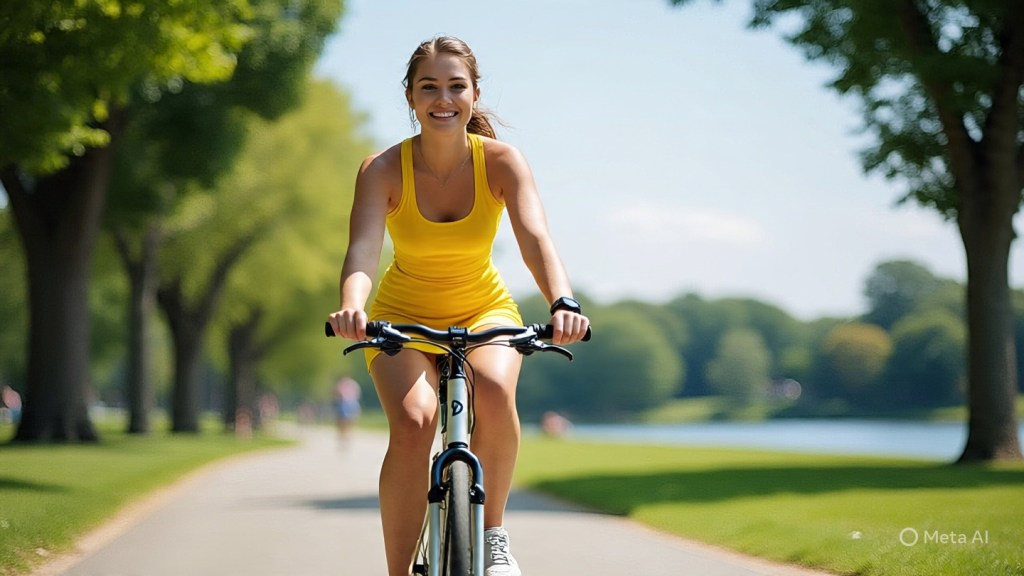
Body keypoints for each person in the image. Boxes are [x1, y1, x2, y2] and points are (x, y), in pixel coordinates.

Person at [326, 35, 590, 576]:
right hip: (403, 315)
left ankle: (493, 534)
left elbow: (535, 238)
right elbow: (362, 249)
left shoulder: (501, 161)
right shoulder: (381, 168)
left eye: (455, 86)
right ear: (409, 96)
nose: (442, 98)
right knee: (415, 420)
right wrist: (352, 306)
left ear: (473, 94)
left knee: (493, 389)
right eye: (429, 87)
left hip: (484, 310)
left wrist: (562, 301)